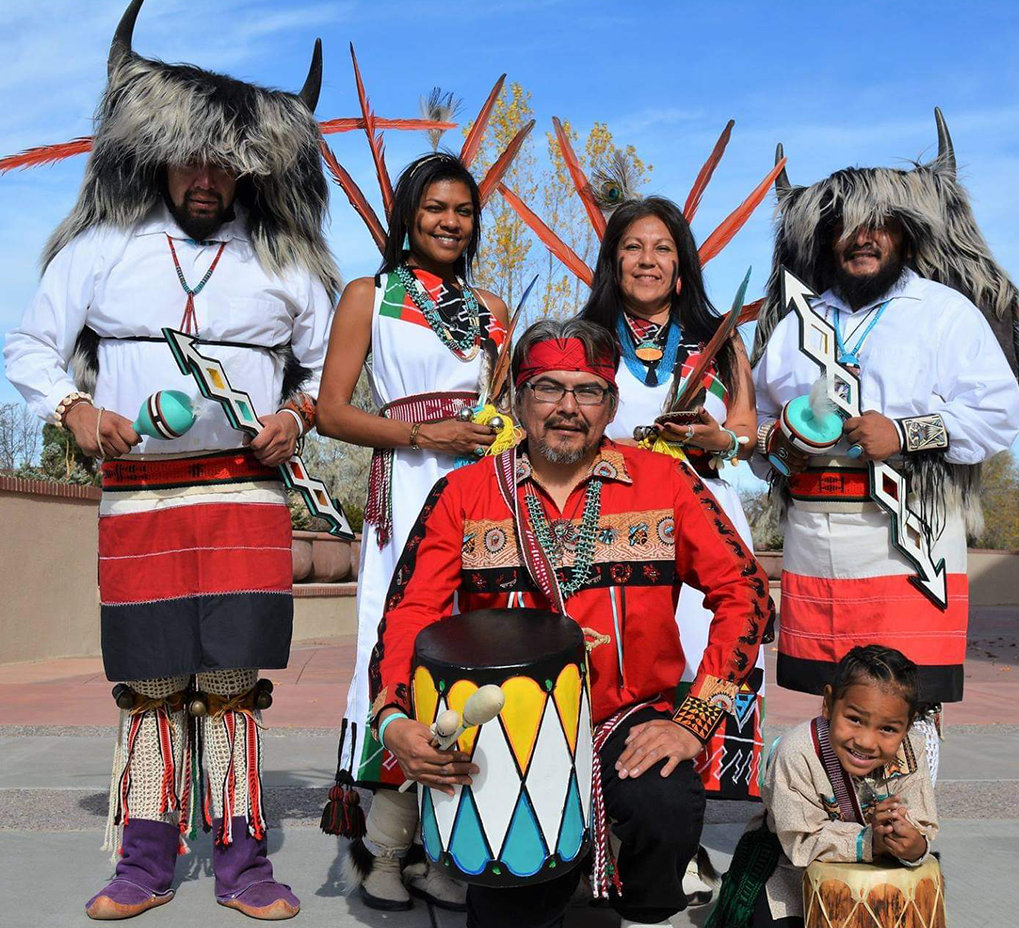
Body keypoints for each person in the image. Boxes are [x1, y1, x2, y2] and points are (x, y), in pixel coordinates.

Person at [3, 3, 339, 919]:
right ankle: (143, 865)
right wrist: (73, 407)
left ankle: (244, 866)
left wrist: (299, 414)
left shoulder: (286, 264)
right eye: (190, 158)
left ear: (250, 166)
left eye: (224, 161)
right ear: (156, 154)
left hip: (244, 496)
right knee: (151, 683)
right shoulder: (101, 249)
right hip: (138, 498)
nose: (206, 176)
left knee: (230, 685)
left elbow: (328, 365)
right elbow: (30, 346)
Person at [368, 318, 773, 928]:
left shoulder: (663, 482)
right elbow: (410, 613)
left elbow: (744, 590)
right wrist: (395, 716)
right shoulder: (462, 493)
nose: (567, 407)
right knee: (515, 906)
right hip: (506, 722)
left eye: (587, 391)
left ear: (610, 404)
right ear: (517, 399)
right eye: (547, 388)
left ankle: (622, 890)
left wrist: (694, 721)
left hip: (626, 716)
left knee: (664, 806)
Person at [751, 110, 1019, 743]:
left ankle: (905, 834)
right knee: (831, 700)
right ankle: (827, 827)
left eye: (878, 226)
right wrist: (779, 443)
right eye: (846, 227)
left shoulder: (944, 314)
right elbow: (758, 428)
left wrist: (907, 433)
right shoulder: (796, 325)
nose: (862, 238)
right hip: (816, 539)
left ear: (903, 234)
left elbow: (999, 413)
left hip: (912, 540)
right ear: (828, 240)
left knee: (909, 704)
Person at [316, 151, 509, 911]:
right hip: (407, 481)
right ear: (408, 215)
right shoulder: (369, 295)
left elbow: (502, 400)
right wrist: (425, 439)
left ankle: (447, 845)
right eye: (435, 208)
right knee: (393, 638)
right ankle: (382, 850)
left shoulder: (491, 305)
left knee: (470, 647)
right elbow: (332, 411)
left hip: (479, 487)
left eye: (462, 210)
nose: (449, 222)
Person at [708, 645, 938, 928]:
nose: (866, 741)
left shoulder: (912, 750)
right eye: (854, 719)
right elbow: (799, 840)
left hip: (879, 867)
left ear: (908, 724)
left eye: (888, 729)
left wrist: (913, 845)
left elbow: (922, 822)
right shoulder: (796, 753)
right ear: (829, 703)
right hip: (789, 868)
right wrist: (870, 841)